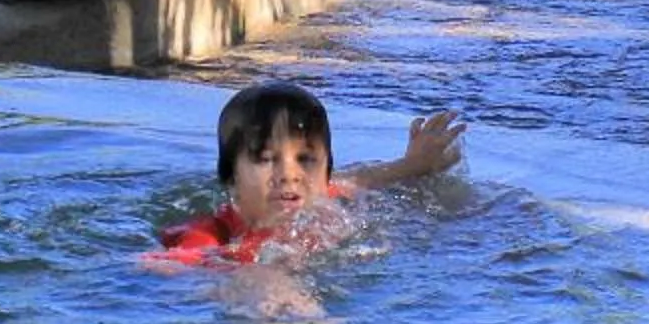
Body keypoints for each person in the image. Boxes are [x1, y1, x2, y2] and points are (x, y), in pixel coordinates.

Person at [152, 81, 469, 268]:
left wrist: (412, 164)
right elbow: (172, 263)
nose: (289, 175)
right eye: (265, 159)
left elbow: (360, 179)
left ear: (326, 170)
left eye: (305, 159)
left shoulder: (321, 195)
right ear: (230, 176)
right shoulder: (214, 233)